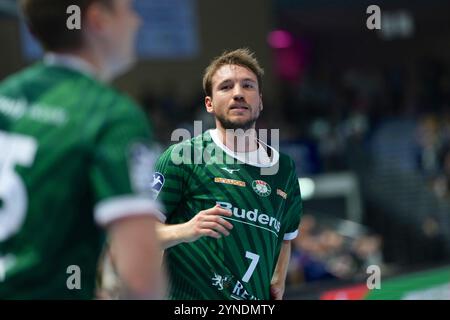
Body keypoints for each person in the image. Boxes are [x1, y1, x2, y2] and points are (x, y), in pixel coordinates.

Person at [0, 0, 164, 299]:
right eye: (129, 9)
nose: (137, 21)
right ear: (98, 20)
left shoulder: (6, 94)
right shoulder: (112, 115)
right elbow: (142, 283)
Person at [154, 48, 303, 300]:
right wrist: (187, 230)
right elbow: (138, 236)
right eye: (225, 87)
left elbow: (286, 236)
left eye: (248, 86)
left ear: (261, 100)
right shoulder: (183, 157)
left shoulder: (284, 169)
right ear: (209, 104)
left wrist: (279, 277)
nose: (238, 94)